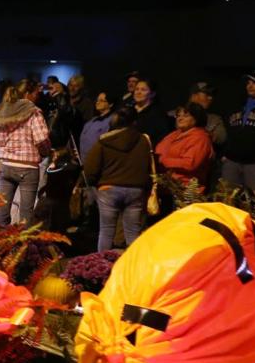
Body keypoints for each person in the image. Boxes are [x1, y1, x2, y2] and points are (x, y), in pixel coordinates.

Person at [84, 106, 152, 251]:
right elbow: (146, 166)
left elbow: (90, 168)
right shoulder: (143, 140)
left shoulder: (104, 141)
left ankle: (102, 269)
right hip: (136, 190)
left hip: (108, 189)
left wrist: (94, 184)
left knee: (106, 231)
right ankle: (132, 268)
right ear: (134, 121)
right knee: (133, 233)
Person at [0, 79, 49, 226]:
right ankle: (23, 247)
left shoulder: (4, 112)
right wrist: (45, 152)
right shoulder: (33, 113)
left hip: (7, 165)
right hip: (27, 168)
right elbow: (41, 139)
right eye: (36, 93)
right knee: (25, 214)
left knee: (1, 211)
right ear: (28, 93)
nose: (38, 96)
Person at [155, 102, 216, 188]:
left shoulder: (200, 138)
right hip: (165, 185)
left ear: (196, 118)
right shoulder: (173, 135)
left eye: (185, 116)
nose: (180, 118)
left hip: (185, 190)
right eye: (178, 116)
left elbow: (190, 164)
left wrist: (163, 161)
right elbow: (158, 151)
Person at [131, 79, 169, 145]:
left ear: (152, 94)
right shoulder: (128, 110)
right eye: (137, 89)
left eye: (143, 90)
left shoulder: (157, 113)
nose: (138, 92)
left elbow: (161, 137)